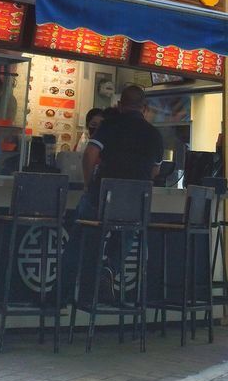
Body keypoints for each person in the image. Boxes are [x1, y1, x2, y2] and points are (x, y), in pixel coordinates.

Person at [63, 85, 163, 301]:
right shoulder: (154, 134)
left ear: (119, 105)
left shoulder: (110, 125)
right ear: (144, 108)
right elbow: (155, 170)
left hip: (102, 198)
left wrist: (89, 185)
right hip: (134, 204)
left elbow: (89, 154)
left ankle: (64, 291)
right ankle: (110, 268)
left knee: (80, 237)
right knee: (129, 228)